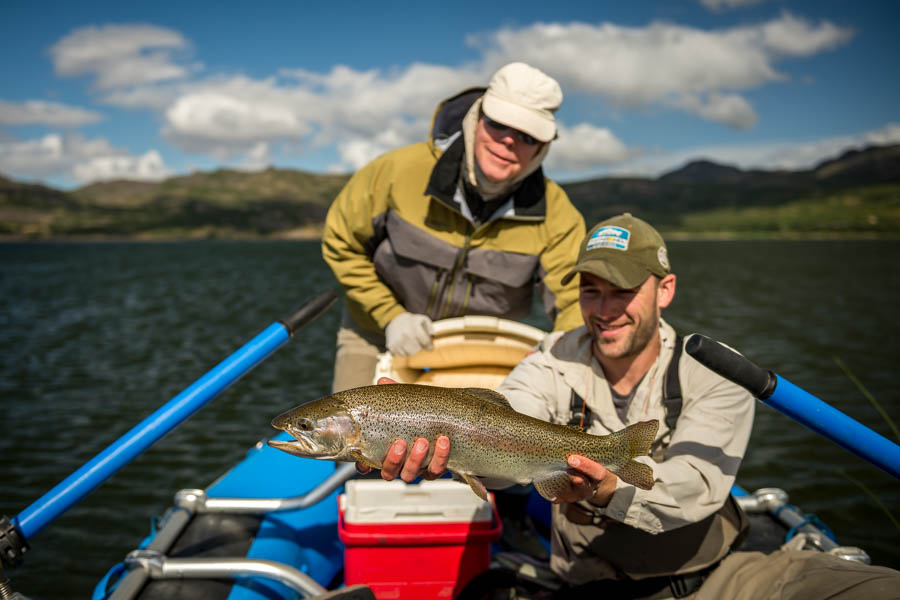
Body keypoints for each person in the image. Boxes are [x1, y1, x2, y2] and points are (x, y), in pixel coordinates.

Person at [371, 213, 900, 599]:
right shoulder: (552, 356)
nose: (604, 311)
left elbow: (696, 488)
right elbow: (508, 416)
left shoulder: (715, 369)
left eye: (622, 290)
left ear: (665, 289)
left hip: (722, 578)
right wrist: (437, 430)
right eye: (591, 291)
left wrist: (604, 488)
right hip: (588, 583)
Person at [321, 62, 585, 394]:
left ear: (543, 146)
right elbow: (341, 244)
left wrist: (561, 351)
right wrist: (389, 316)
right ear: (476, 117)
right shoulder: (394, 173)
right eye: (498, 123)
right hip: (375, 331)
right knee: (350, 432)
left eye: (527, 136)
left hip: (486, 352)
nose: (508, 141)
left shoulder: (559, 215)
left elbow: (575, 298)